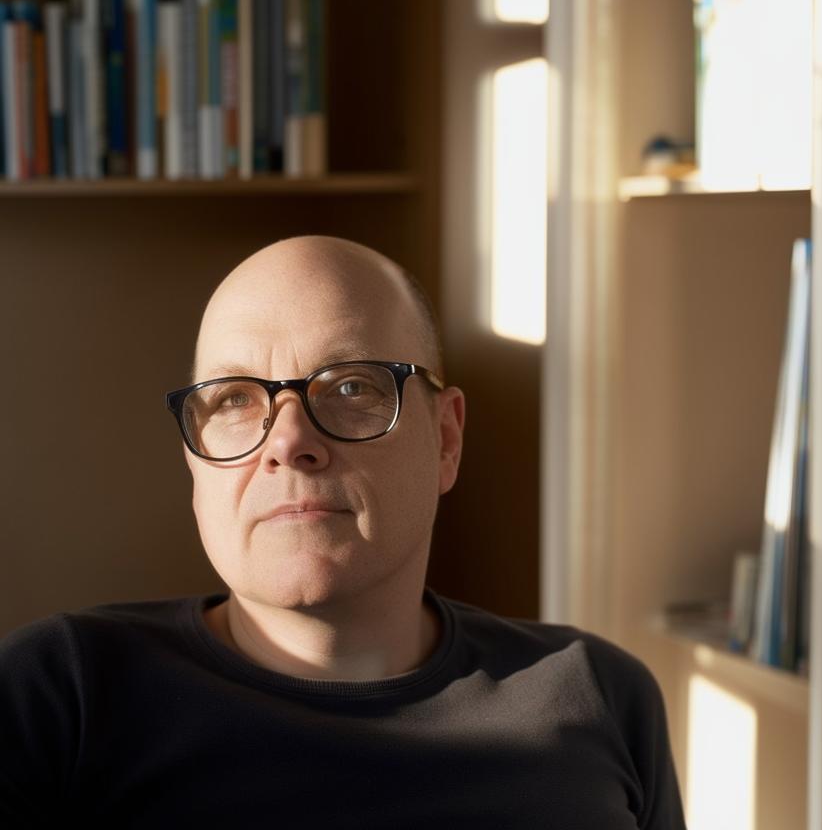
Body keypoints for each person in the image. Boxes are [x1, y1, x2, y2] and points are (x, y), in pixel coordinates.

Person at [0, 235, 686, 828]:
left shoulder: (599, 695)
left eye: (352, 386)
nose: (290, 440)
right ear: (194, 463)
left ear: (446, 439)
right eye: (236, 398)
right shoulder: (62, 696)